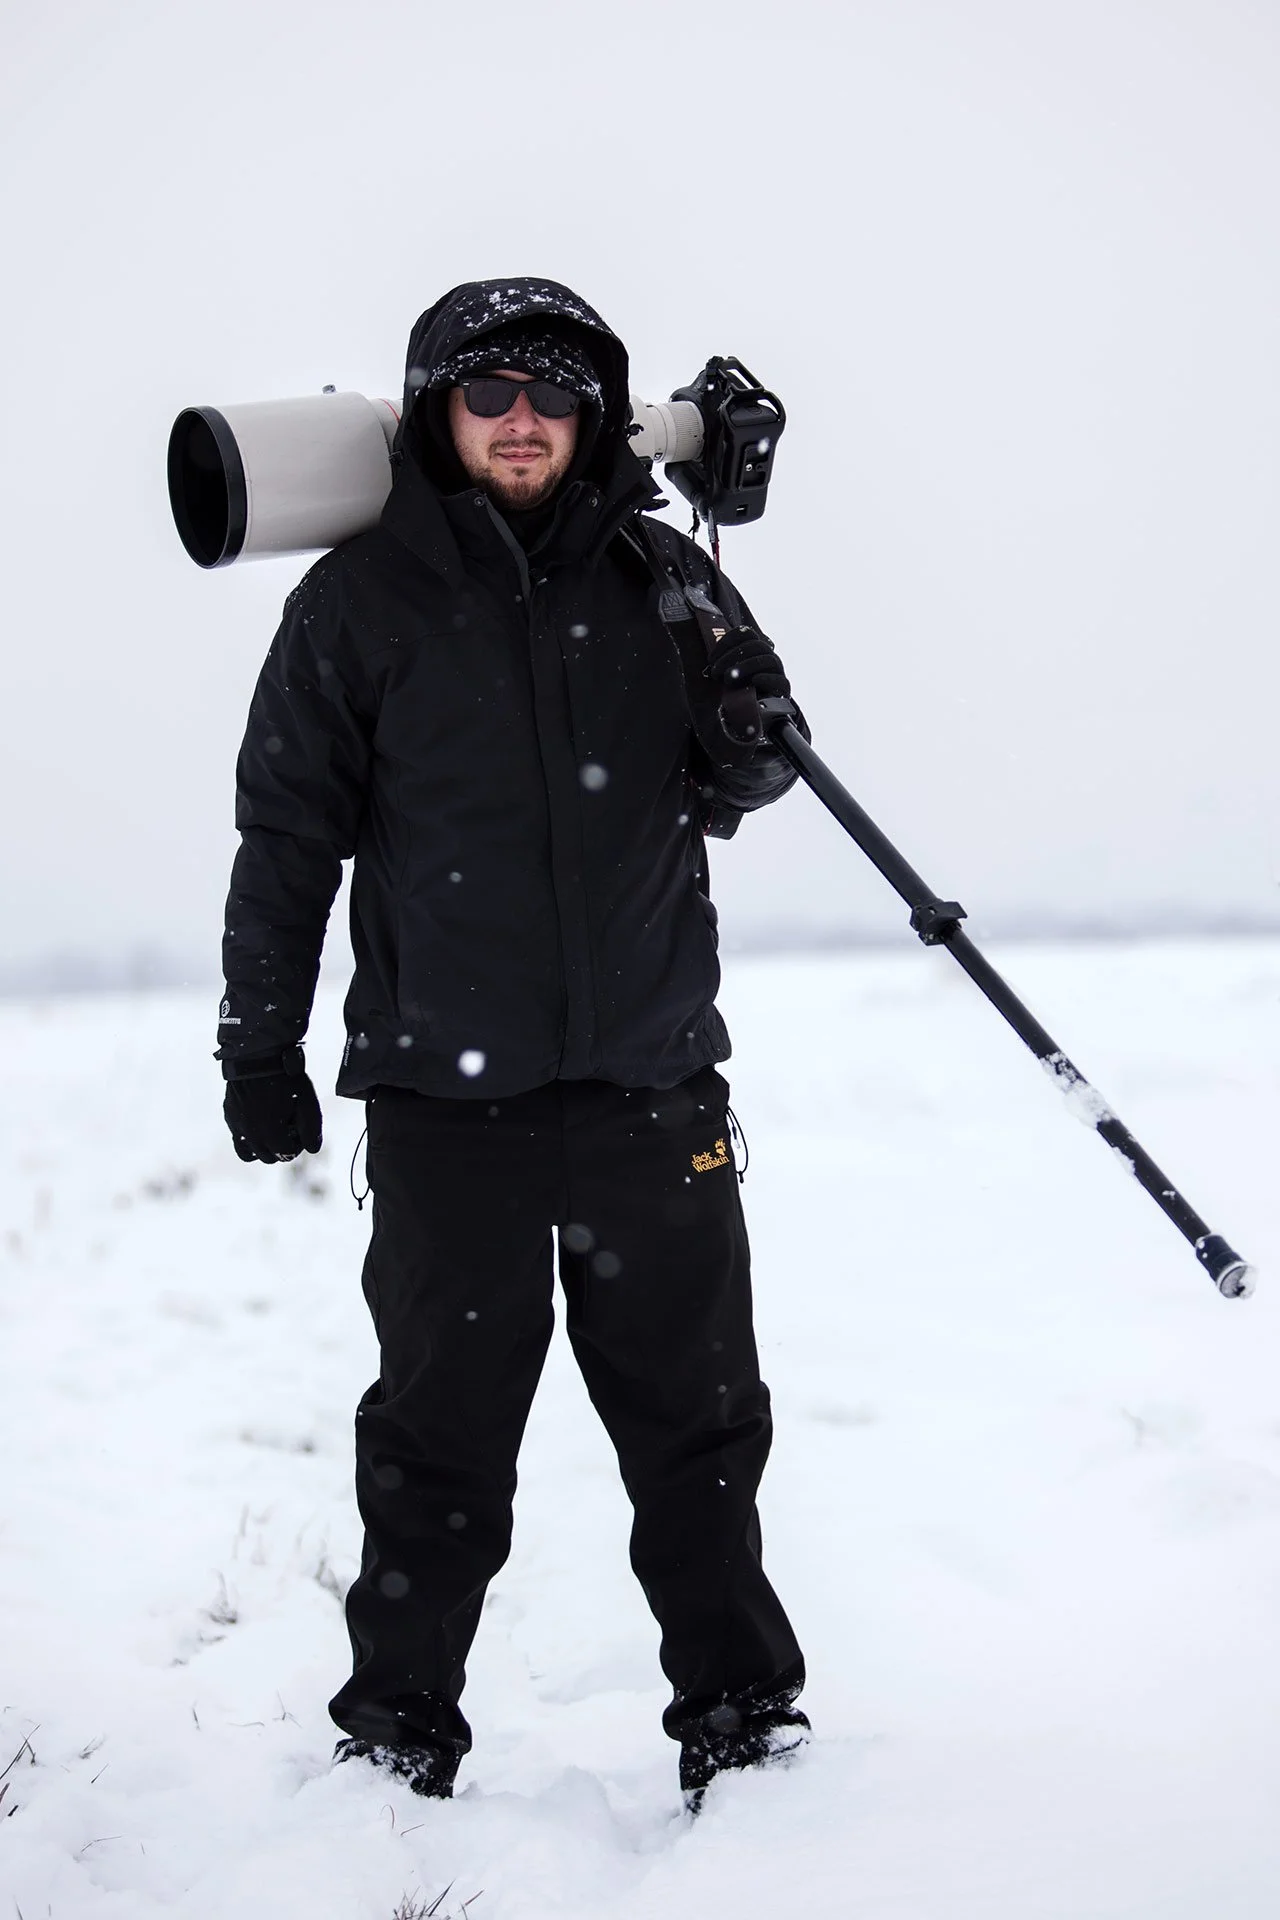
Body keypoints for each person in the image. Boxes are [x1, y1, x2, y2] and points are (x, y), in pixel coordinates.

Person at [216, 277, 809, 1811]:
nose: (525, 421)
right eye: (489, 396)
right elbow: (288, 842)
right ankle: (397, 1731)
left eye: (555, 393)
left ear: (599, 411)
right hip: (443, 1107)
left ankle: (742, 1723)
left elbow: (739, 781)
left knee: (699, 1433)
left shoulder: (662, 577)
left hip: (651, 1089)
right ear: (437, 415)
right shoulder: (354, 606)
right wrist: (257, 1043)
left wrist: (752, 738)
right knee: (437, 1448)